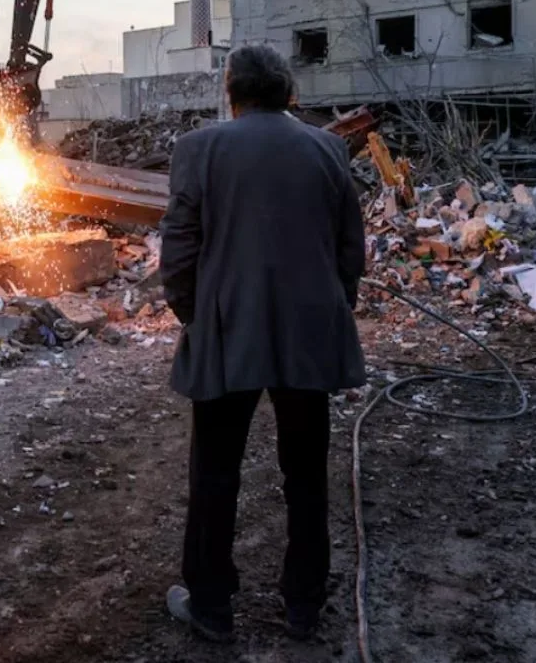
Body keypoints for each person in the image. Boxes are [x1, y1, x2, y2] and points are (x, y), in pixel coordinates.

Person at [158, 43, 366, 643]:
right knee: (306, 475)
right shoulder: (328, 147)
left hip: (229, 331)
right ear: (287, 90)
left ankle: (211, 606)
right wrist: (328, 311)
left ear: (232, 90)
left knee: (215, 471)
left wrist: (197, 316)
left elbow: (179, 248)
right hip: (309, 332)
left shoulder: (200, 148)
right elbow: (351, 248)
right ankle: (303, 606)